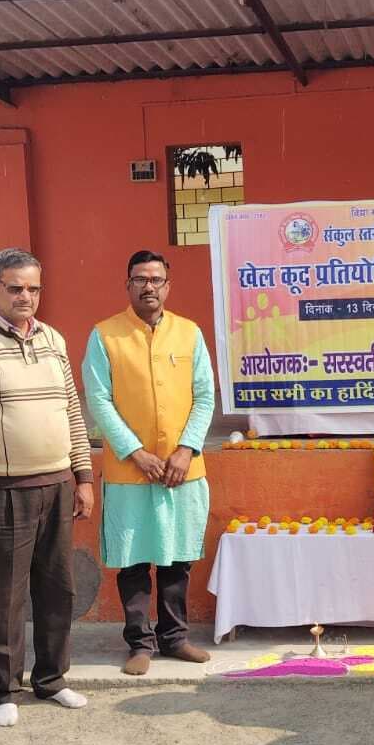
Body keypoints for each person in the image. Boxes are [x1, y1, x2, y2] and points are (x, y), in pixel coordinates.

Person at [0, 248, 91, 726]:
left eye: (33, 288)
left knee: (58, 588)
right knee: (7, 594)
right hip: (5, 490)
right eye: (15, 288)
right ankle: (5, 688)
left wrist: (83, 474)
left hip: (57, 482)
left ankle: (52, 680)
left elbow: (71, 409)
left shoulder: (53, 339)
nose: (25, 297)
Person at [83, 250, 216, 676]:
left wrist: (186, 449)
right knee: (134, 558)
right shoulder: (105, 336)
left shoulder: (190, 334)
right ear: (127, 285)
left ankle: (175, 638)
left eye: (156, 279)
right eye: (140, 279)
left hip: (183, 471)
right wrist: (134, 451)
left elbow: (205, 397)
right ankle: (140, 643)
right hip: (129, 471)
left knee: (178, 558)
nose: (148, 287)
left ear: (168, 286)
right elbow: (99, 400)